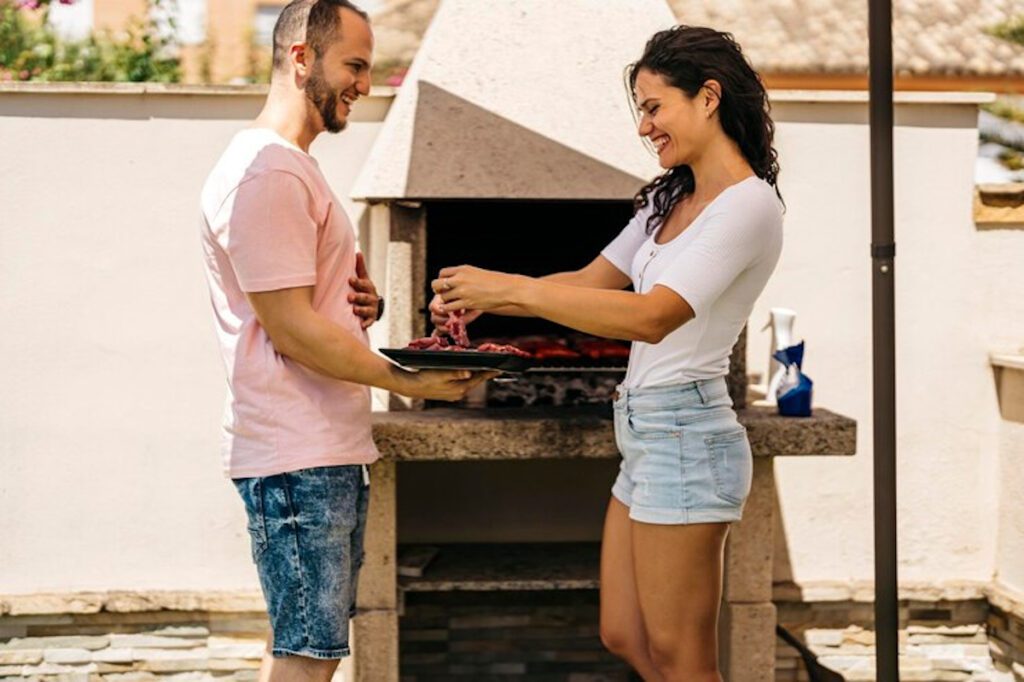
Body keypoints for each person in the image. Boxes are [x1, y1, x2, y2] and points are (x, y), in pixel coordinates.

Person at [429, 26, 784, 682]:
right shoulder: (667, 200)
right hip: (646, 434)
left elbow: (652, 317)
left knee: (684, 659)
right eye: (640, 110)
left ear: (708, 98)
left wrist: (509, 288)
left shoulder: (748, 208)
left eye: (654, 107)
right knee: (622, 633)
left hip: (688, 434)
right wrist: (485, 298)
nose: (645, 126)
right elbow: (591, 285)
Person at [198, 2, 487, 680]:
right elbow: (292, 330)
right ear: (302, 58)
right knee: (306, 661)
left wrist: (364, 305)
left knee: (313, 656)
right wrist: (407, 381)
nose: (366, 82)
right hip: (298, 457)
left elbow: (303, 308)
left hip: (320, 451)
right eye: (355, 65)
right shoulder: (267, 172)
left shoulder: (289, 167)